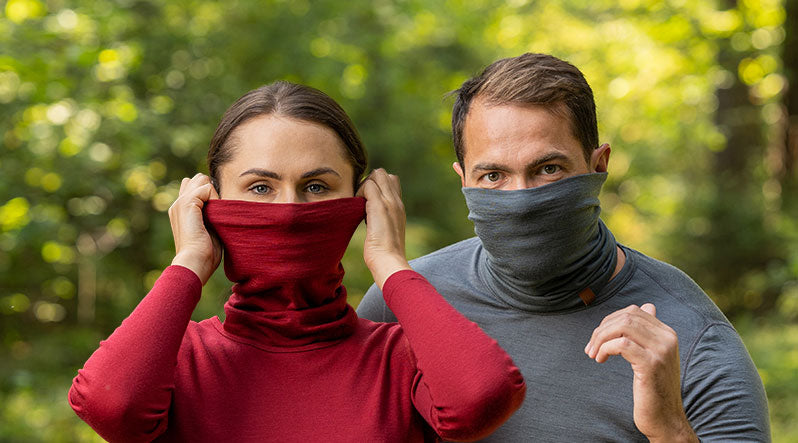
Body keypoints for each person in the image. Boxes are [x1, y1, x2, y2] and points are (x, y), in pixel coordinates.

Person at [68, 81, 526, 442]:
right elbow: (113, 409)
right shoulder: (177, 357)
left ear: (363, 203)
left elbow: (479, 399)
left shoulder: (397, 359)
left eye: (317, 186)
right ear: (211, 203)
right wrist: (188, 261)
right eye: (260, 188)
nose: (289, 211)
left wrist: (389, 261)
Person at [357, 53, 770, 441]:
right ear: (463, 180)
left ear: (598, 166)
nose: (522, 200)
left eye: (548, 169)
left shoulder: (691, 343)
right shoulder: (397, 307)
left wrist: (671, 429)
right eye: (493, 176)